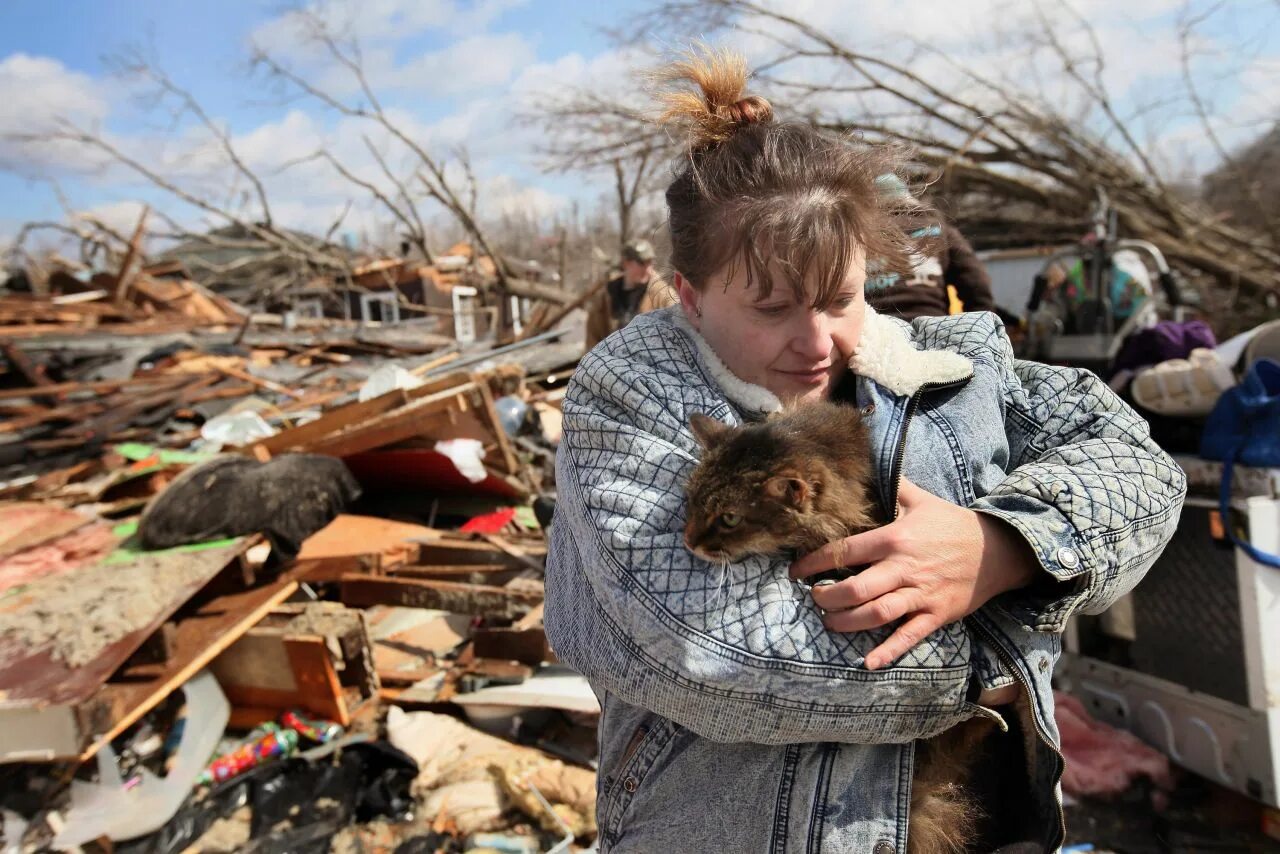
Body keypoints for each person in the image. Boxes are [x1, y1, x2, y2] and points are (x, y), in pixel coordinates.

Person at [544, 47, 1185, 853]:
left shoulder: (948, 365)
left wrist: (1007, 545)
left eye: (839, 298)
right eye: (772, 307)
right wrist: (1004, 659)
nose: (816, 342)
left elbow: (1139, 464)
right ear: (692, 297)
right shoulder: (631, 394)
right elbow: (712, 655)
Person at [864, 173, 998, 321]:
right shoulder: (940, 229)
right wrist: (980, 326)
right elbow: (976, 281)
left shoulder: (859, 236)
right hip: (932, 327)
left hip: (878, 330)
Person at [584, 239, 677, 349]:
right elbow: (593, 335)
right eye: (642, 263)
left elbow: (680, 330)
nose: (648, 270)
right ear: (626, 264)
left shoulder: (662, 294)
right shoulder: (607, 294)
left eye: (650, 262)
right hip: (613, 361)